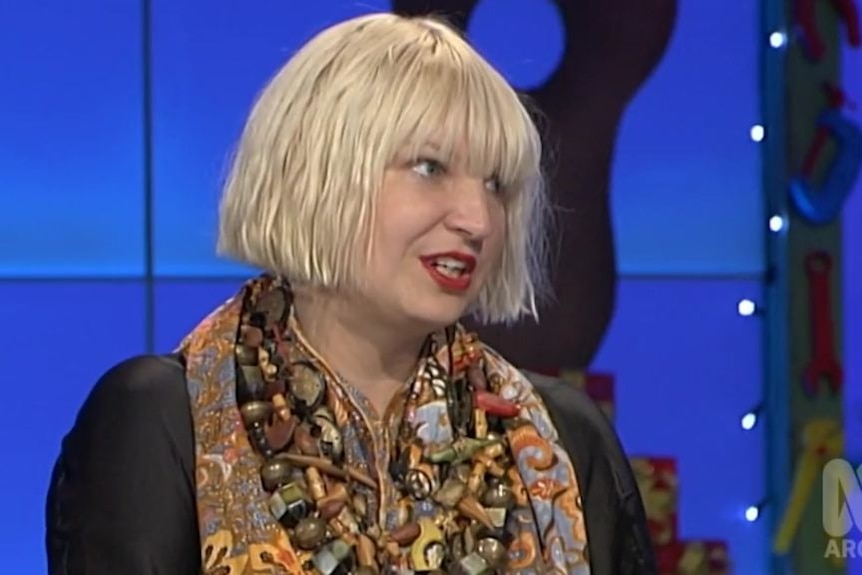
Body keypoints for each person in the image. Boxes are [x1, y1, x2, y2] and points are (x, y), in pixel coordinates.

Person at [46, 12, 655, 575]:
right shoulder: (159, 421)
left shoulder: (566, 438)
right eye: (429, 167)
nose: (478, 219)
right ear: (320, 176)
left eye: (496, 184)